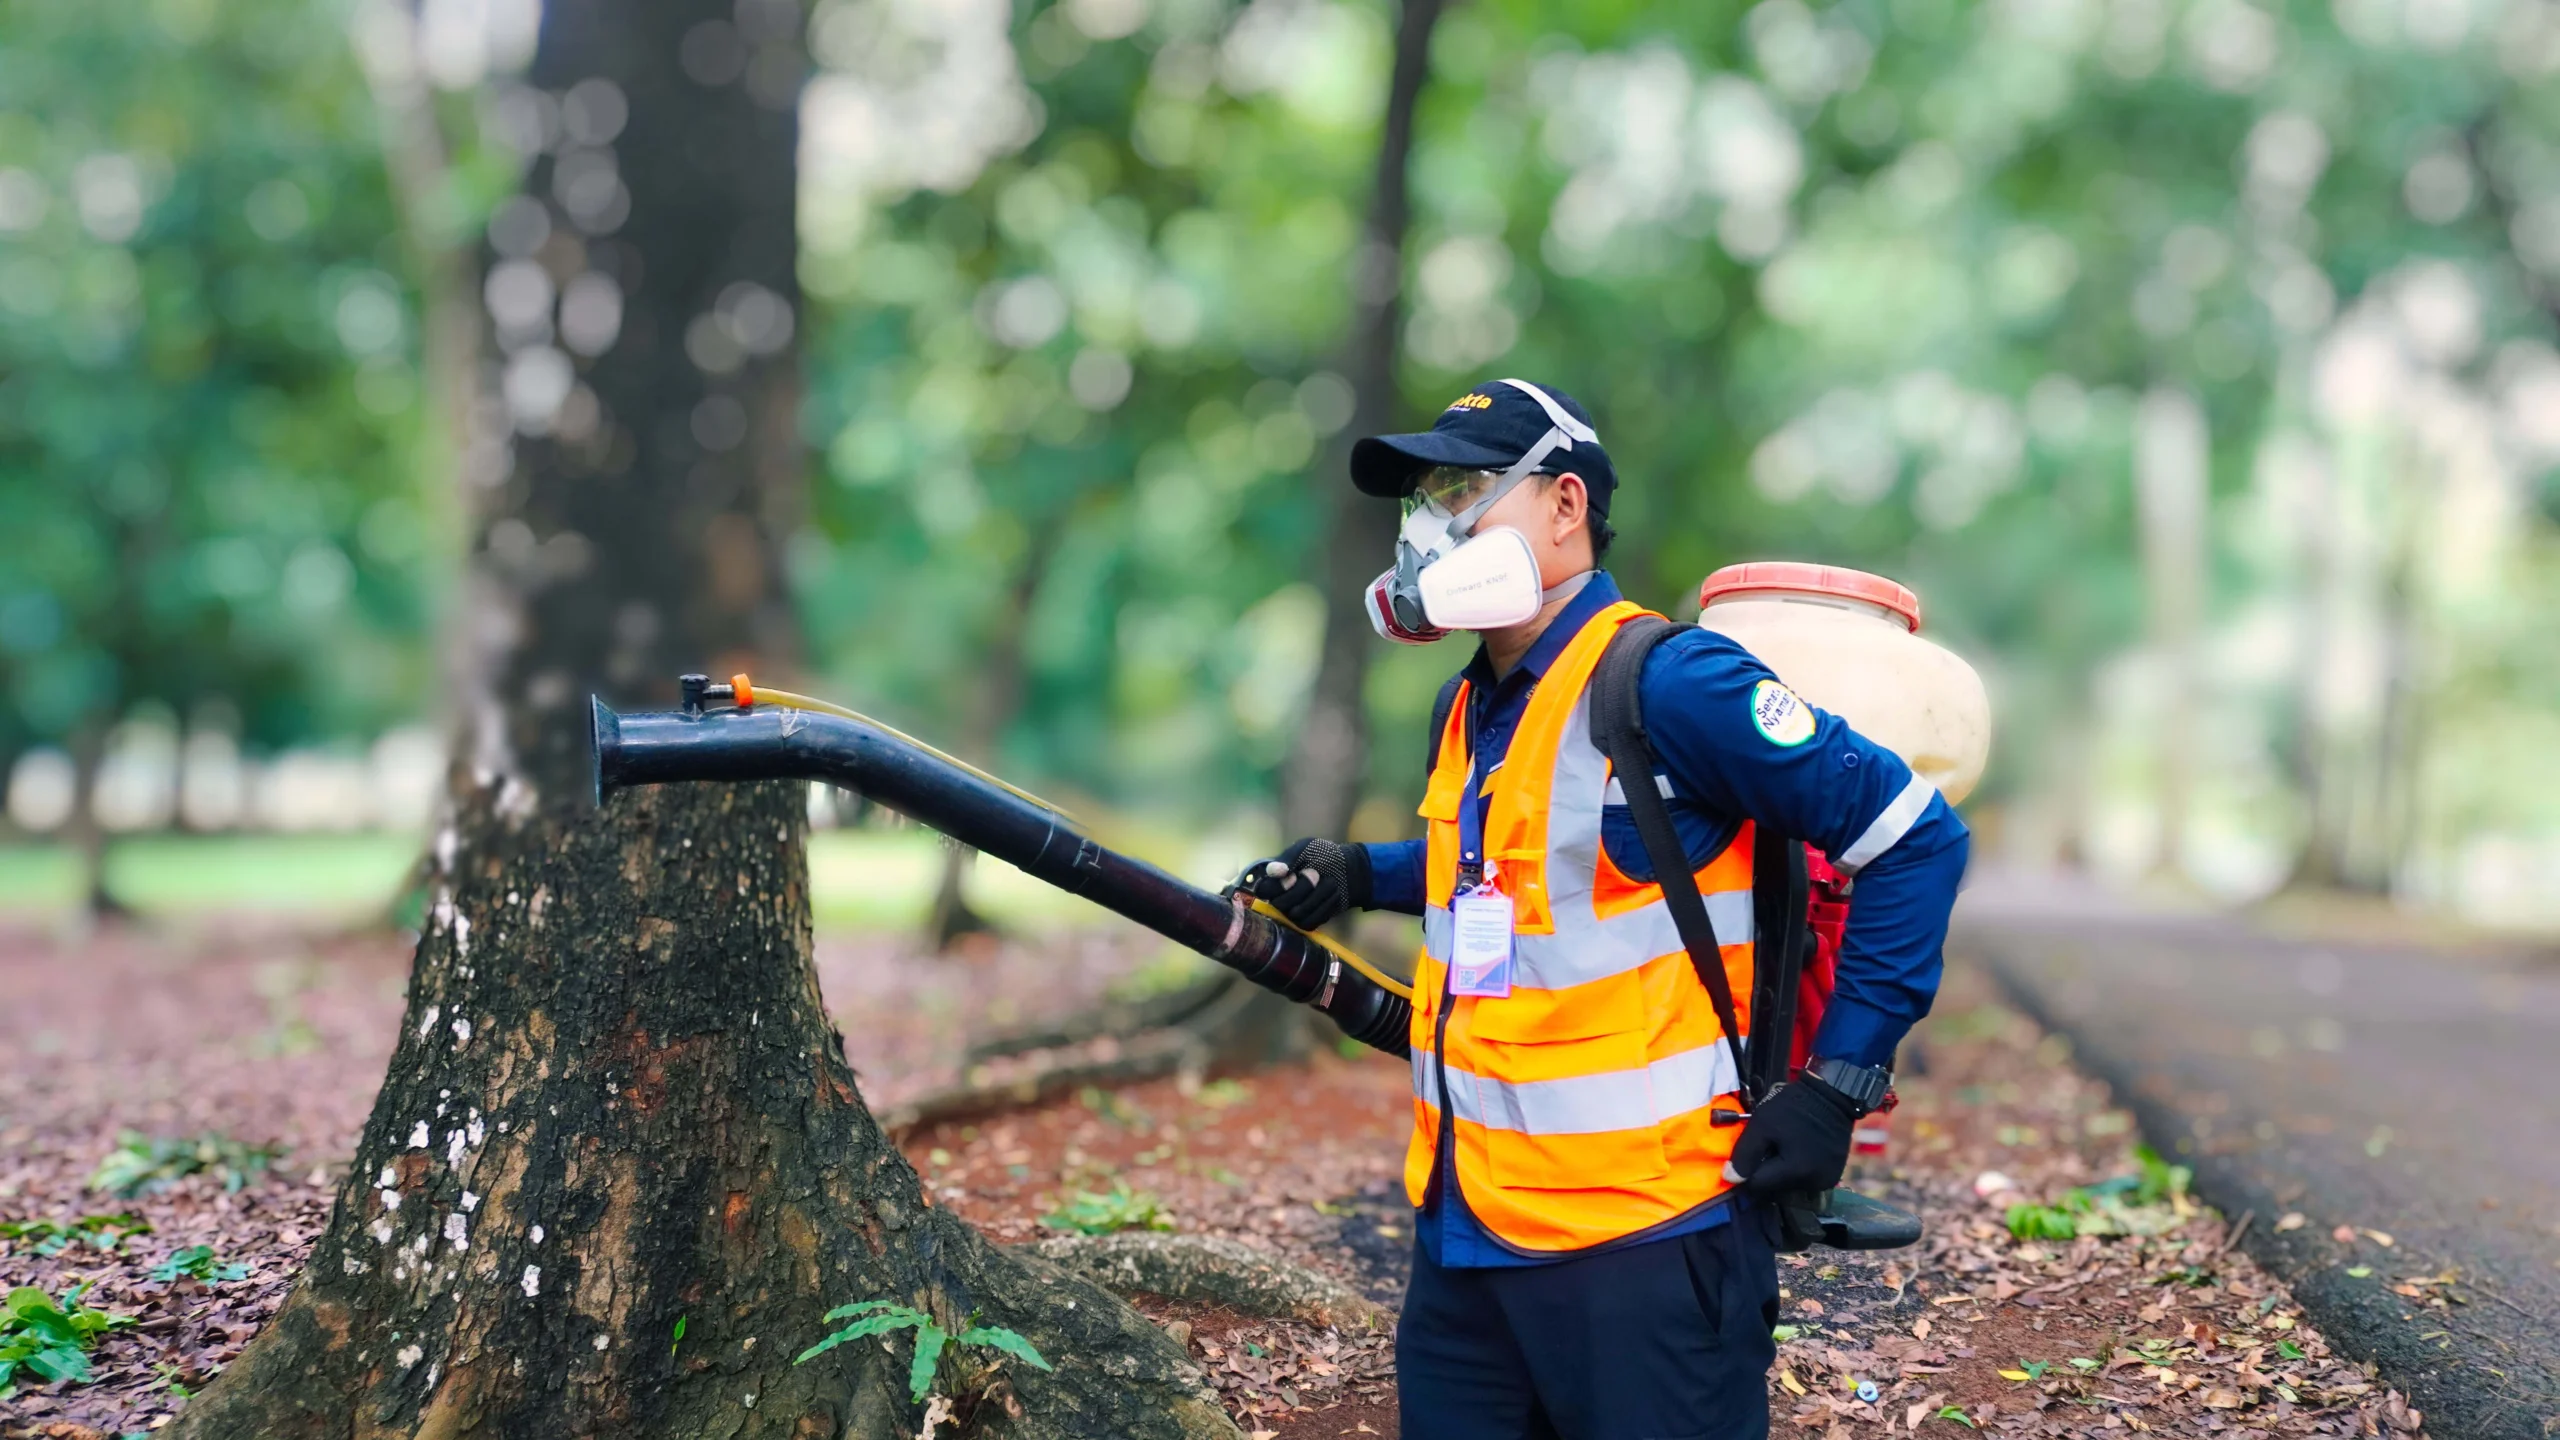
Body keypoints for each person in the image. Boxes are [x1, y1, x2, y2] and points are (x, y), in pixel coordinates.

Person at [1236, 378, 1971, 1440]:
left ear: (1564, 506)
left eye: (1461, 489)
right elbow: (1510, 868)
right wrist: (1356, 873)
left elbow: (1916, 837)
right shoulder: (1471, 702)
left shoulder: (1674, 683)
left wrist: (1835, 1084)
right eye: (1420, 498)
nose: (1429, 525)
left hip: (1644, 1246)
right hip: (1463, 1240)